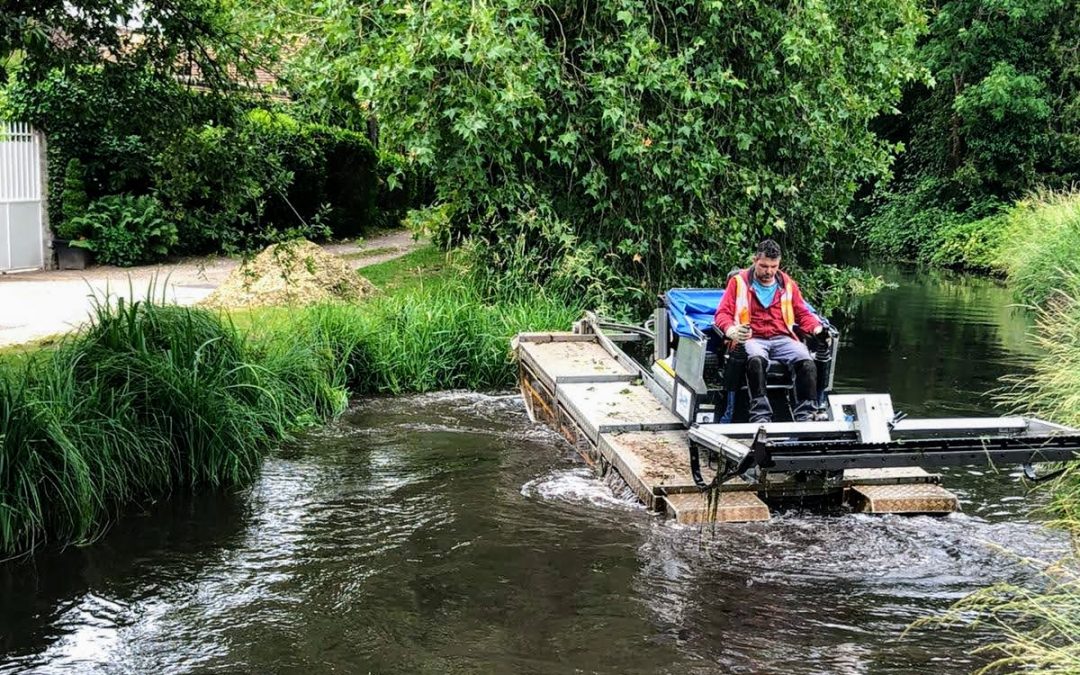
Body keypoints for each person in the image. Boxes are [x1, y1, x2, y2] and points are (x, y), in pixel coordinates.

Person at [713, 239, 827, 423]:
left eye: (774, 266)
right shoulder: (738, 282)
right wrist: (731, 330)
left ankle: (806, 415)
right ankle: (760, 415)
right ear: (755, 260)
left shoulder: (788, 284)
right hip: (751, 338)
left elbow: (803, 314)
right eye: (764, 266)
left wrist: (817, 328)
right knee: (756, 361)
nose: (769, 271)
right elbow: (722, 314)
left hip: (782, 338)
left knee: (806, 361)